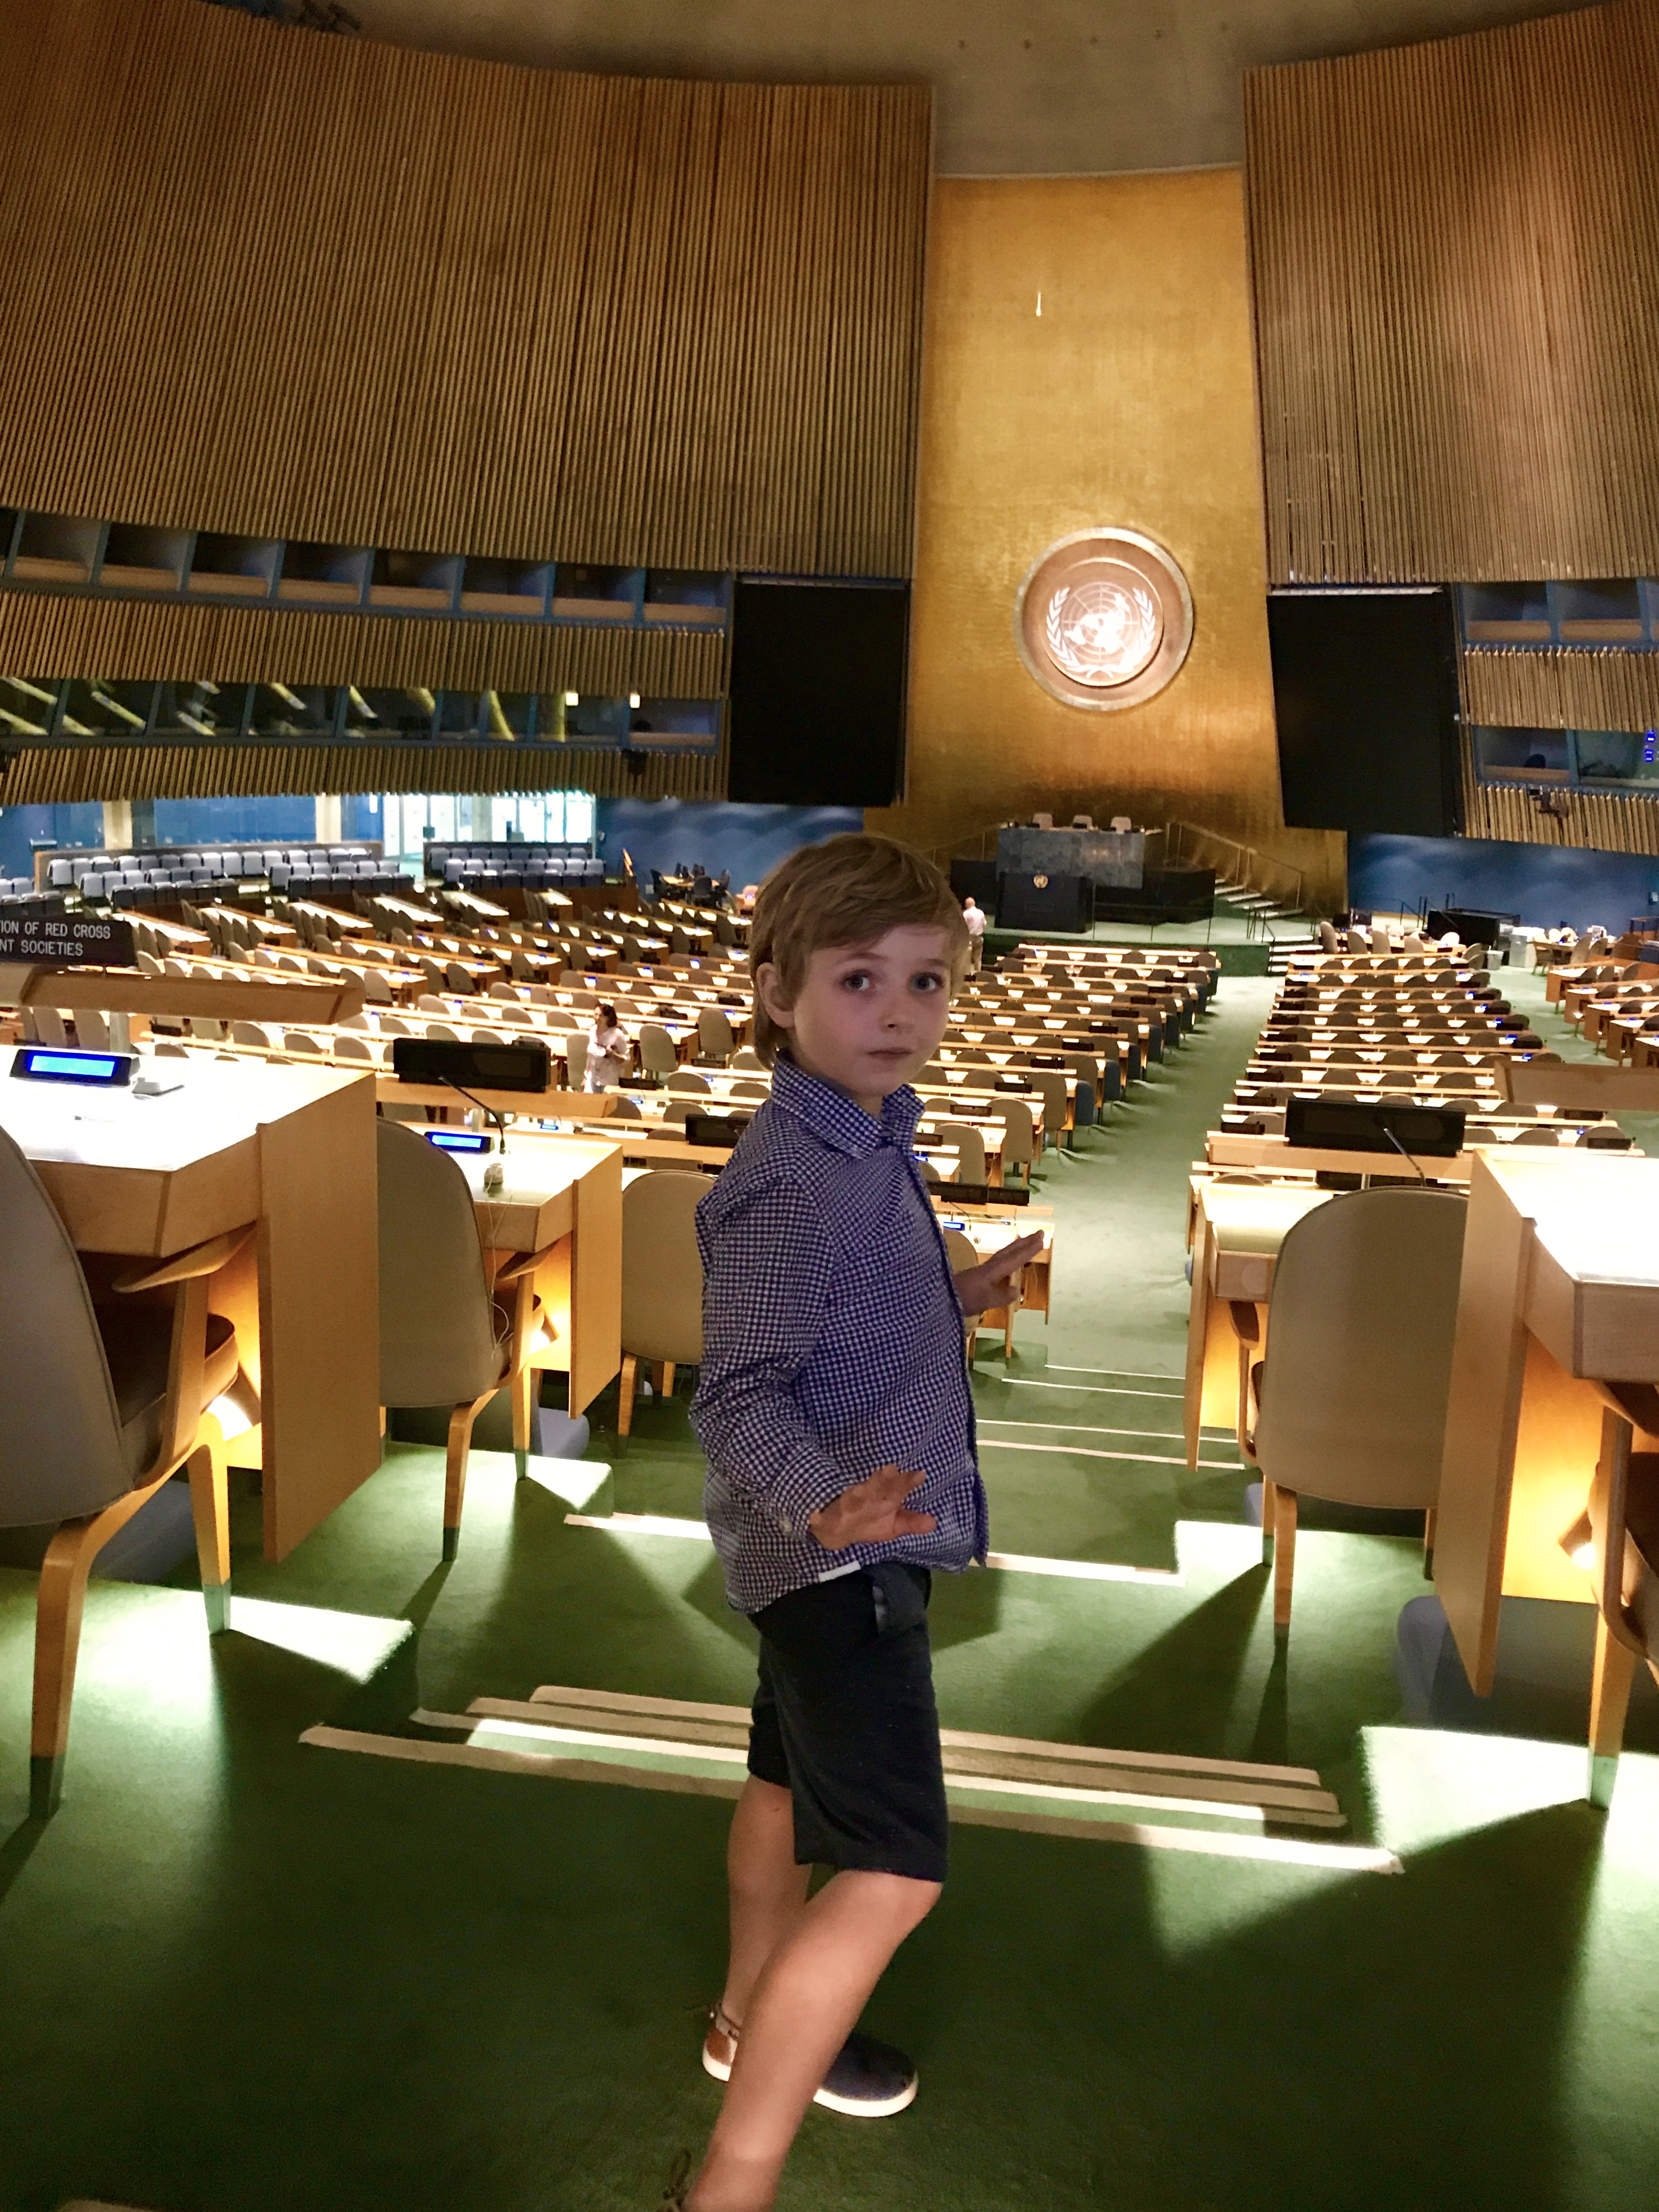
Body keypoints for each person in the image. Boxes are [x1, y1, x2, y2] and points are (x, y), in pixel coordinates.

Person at [666, 834, 1042, 2212]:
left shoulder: (866, 1130)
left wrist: (960, 1293)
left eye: (926, 981)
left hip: (830, 1547)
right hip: (841, 1559)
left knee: (781, 1787)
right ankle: (732, 2181)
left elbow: (847, 1312)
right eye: (858, 978)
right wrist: (826, 1503)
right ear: (778, 992)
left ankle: (740, 2022)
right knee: (892, 1870)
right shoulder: (790, 1179)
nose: (898, 1011)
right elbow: (738, 1394)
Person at [583, 1001, 631, 1090]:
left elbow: (627, 1059)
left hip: (609, 1080)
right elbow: (590, 1057)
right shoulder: (593, 1030)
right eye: (596, 1015)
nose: (597, 1018)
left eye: (601, 1016)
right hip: (592, 1078)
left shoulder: (617, 1035)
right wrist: (586, 1076)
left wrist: (613, 1054)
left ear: (608, 1018)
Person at [961, 891, 986, 973]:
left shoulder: (966, 914)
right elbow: (984, 924)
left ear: (967, 904)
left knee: (967, 960)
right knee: (978, 959)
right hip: (979, 937)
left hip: (969, 938)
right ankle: (978, 974)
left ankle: (968, 976)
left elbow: (962, 927)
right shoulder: (981, 913)